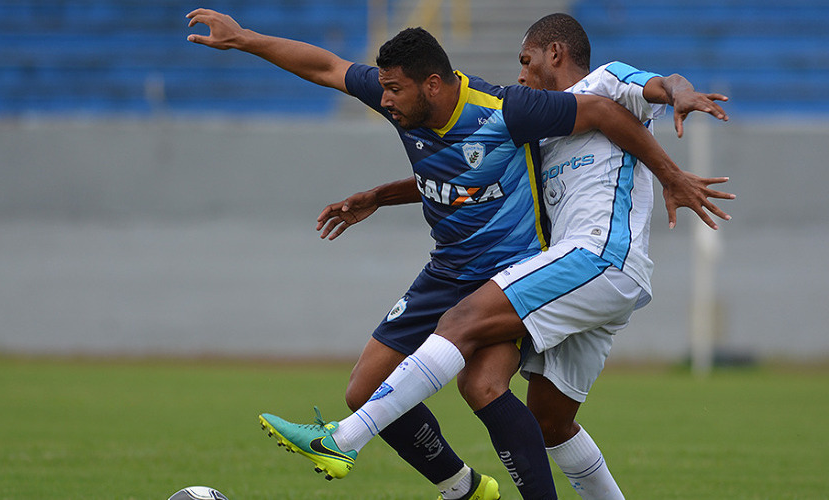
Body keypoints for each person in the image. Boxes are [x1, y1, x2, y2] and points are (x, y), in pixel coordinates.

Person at [185, 9, 732, 500]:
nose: (386, 99)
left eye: (395, 90)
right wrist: (244, 39)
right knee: (516, 414)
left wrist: (674, 160)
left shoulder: (518, 106)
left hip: (533, 265)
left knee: (481, 377)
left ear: (431, 84)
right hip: (451, 269)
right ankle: (462, 488)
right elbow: (328, 67)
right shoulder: (420, 109)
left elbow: (618, 106)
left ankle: (343, 441)